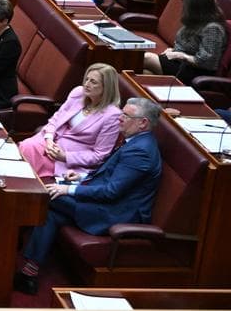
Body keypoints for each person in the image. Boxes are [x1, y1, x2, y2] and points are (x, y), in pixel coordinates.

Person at [12, 97, 163, 295]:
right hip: (105, 203)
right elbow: (110, 175)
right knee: (51, 211)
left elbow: (111, 191)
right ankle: (29, 273)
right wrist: (81, 177)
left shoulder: (140, 151)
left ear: (143, 122)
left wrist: (70, 189)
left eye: (125, 116)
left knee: (45, 196)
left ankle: (14, 243)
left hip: (114, 214)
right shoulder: (136, 141)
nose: (120, 118)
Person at [18, 63, 123, 178]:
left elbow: (99, 156)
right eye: (87, 79)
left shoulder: (112, 116)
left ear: (106, 87)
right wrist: (48, 139)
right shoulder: (79, 93)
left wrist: (65, 156)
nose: (87, 84)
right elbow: (57, 118)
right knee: (26, 147)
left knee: (27, 168)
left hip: (68, 159)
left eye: (93, 82)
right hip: (51, 142)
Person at [142, 0, 227, 83]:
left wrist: (181, 55)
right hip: (180, 63)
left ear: (195, 6)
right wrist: (174, 50)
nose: (183, 5)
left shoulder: (212, 28)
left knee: (144, 58)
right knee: (144, 74)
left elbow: (208, 62)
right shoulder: (194, 20)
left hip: (193, 72)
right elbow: (188, 46)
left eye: (184, 1)